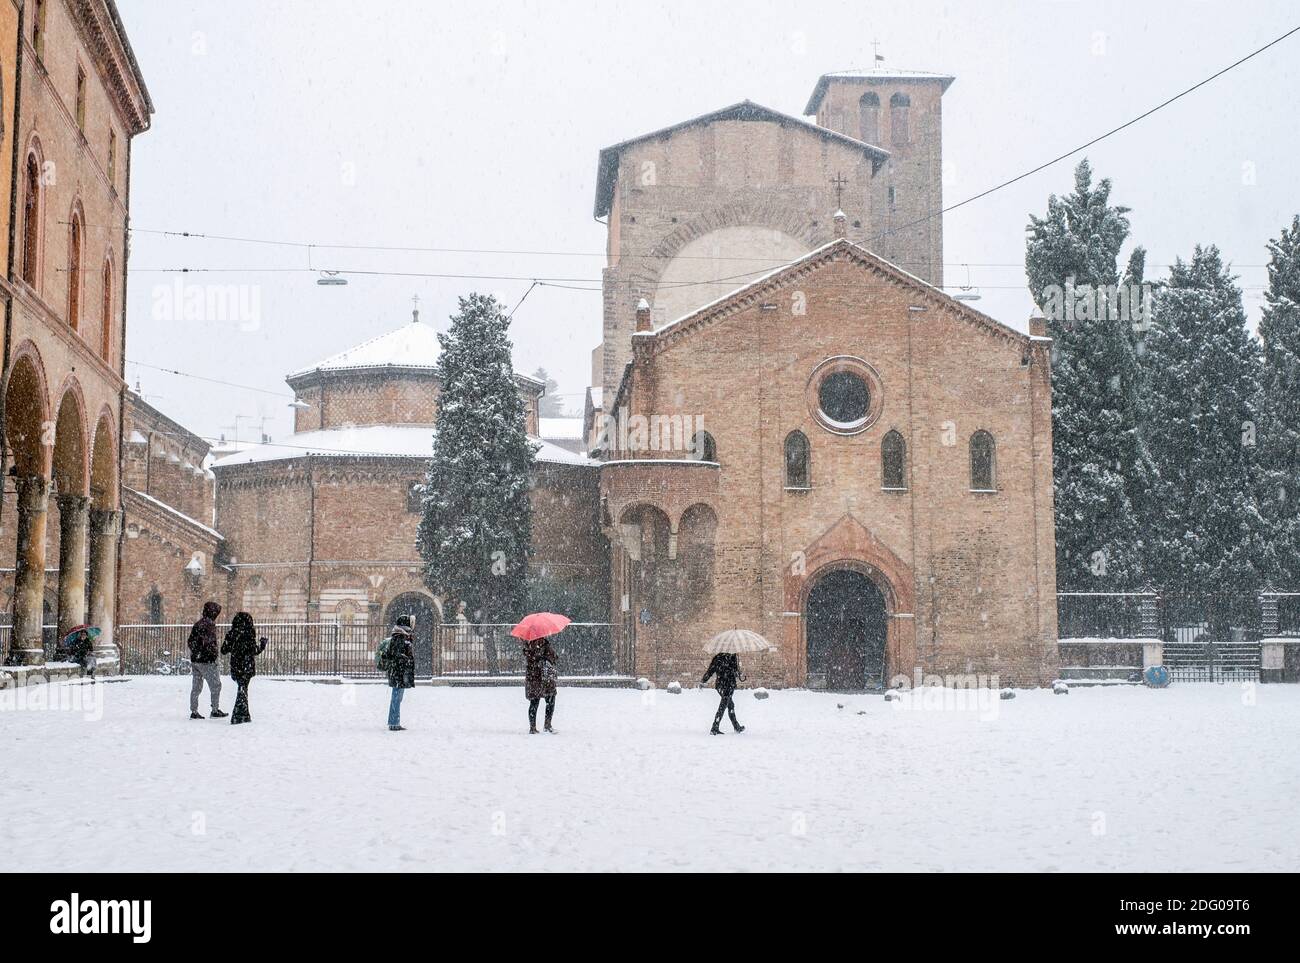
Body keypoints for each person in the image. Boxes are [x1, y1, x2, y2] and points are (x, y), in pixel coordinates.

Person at [220, 612, 267, 725]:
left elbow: (224, 650)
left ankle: (244, 714)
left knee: (242, 689)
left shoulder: (232, 633)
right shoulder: (248, 634)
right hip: (246, 666)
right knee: (243, 690)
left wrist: (233, 646)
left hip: (236, 665)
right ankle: (239, 715)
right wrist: (262, 645)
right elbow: (253, 651)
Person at [187, 601, 227, 719]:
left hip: (196, 660)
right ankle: (215, 710)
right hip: (207, 661)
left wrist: (196, 652)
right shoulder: (209, 624)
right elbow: (209, 643)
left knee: (196, 687)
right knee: (216, 685)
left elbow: (191, 641)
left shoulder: (198, 624)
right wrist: (211, 655)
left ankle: (194, 711)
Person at [381, 614, 416, 731]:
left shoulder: (401, 636)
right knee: (396, 698)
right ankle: (394, 723)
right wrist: (406, 658)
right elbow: (396, 655)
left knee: (397, 698)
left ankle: (394, 721)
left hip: (398, 673)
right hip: (398, 673)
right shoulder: (399, 637)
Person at [702, 651, 745, 735]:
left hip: (720, 686)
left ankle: (736, 727)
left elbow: (710, 670)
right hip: (728, 686)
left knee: (730, 705)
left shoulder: (717, 657)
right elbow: (734, 672)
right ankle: (715, 727)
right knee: (723, 706)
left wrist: (703, 680)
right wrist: (737, 672)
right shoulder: (732, 656)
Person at [522, 635, 558, 733]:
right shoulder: (544, 644)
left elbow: (530, 659)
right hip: (544, 677)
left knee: (534, 702)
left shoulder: (528, 645)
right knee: (550, 700)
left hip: (533, 677)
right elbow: (554, 657)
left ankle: (533, 727)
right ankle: (547, 725)